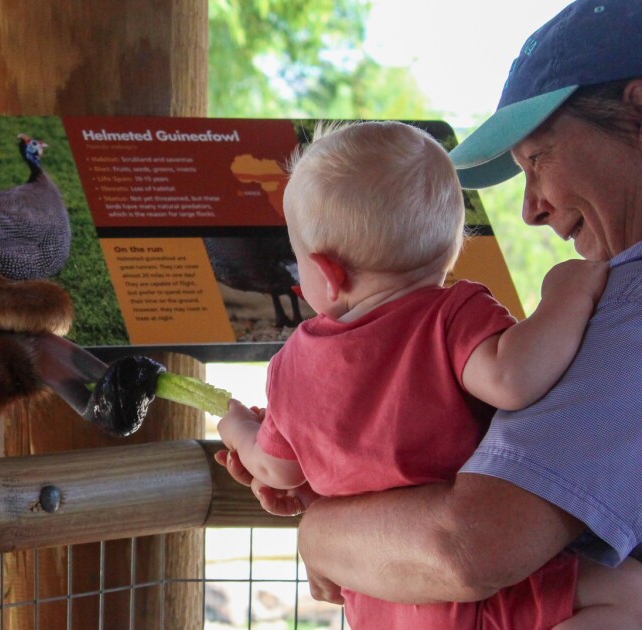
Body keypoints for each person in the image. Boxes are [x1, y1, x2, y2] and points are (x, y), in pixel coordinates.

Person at [235, 0, 642, 625]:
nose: (530, 209)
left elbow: (467, 546)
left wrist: (322, 532)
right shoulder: (463, 317)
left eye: (537, 158)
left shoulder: (630, 306)